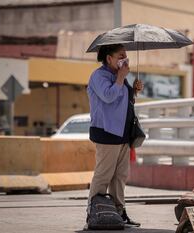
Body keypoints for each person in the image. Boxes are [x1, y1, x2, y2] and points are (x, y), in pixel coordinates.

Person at [86, 43, 143, 227]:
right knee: (103, 175)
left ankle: (118, 213)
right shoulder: (99, 76)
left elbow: (123, 101)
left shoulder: (120, 77)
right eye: (120, 55)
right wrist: (120, 78)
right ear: (108, 58)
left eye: (125, 55)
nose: (124, 59)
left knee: (120, 177)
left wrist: (133, 90)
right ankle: (94, 212)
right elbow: (108, 96)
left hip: (123, 134)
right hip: (106, 133)